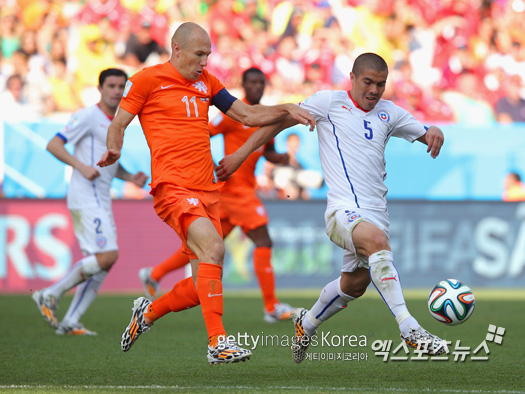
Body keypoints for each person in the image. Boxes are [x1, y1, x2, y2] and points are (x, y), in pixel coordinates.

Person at [96, 22, 315, 365]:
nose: (204, 62)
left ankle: (147, 313)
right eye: (199, 54)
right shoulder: (146, 80)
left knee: (203, 285)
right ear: (177, 48)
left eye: (208, 55)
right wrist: (113, 150)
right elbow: (118, 124)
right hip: (172, 187)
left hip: (208, 189)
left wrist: (287, 108)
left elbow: (247, 114)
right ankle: (218, 343)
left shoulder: (208, 83)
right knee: (215, 248)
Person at [216, 52, 447, 363]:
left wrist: (435, 131)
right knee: (378, 243)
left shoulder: (389, 113)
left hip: (377, 213)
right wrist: (241, 154)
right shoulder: (328, 102)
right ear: (351, 78)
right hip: (342, 211)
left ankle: (306, 324)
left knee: (354, 285)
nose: (374, 90)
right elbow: (278, 122)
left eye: (380, 84)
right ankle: (409, 327)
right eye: (368, 82)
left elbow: (424, 132)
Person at [138, 67, 296, 323]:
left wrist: (280, 158)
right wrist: (209, 162)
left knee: (205, 247)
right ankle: (271, 306)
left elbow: (266, 150)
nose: (257, 87)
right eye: (252, 83)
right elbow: (204, 134)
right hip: (235, 191)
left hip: (236, 194)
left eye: (261, 83)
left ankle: (155, 274)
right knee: (264, 241)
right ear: (243, 86)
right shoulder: (233, 115)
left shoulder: (263, 116)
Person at [32, 68, 148, 336]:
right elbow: (54, 144)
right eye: (111, 86)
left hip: (101, 197)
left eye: (121, 86)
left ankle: (71, 321)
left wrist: (130, 176)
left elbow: (108, 162)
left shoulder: (119, 121)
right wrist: (81, 166)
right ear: (100, 89)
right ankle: (49, 294)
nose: (117, 91)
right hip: (85, 196)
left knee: (102, 261)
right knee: (108, 256)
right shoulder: (86, 116)